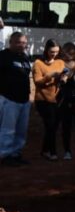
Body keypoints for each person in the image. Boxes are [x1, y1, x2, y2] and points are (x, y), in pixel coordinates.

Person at [0, 32, 32, 166]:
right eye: (19, 42)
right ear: (11, 42)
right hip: (9, 99)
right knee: (8, 130)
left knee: (21, 130)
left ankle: (16, 153)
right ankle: (5, 155)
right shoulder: (3, 56)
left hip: (24, 100)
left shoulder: (24, 58)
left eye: (24, 43)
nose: (22, 45)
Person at [33, 39, 66, 161]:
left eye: (57, 51)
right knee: (50, 125)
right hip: (43, 99)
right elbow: (37, 81)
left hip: (57, 99)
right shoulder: (38, 63)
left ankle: (44, 150)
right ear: (46, 50)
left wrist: (64, 78)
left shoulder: (60, 62)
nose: (54, 54)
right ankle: (52, 152)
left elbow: (65, 75)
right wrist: (50, 76)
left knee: (53, 126)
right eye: (52, 52)